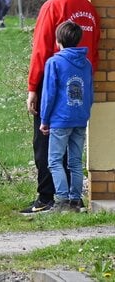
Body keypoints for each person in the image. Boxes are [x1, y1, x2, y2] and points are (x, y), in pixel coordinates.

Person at [21, 0, 99, 214]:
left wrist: (33, 88)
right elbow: (94, 51)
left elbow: (41, 50)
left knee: (45, 143)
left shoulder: (52, 7)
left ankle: (47, 197)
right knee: (74, 152)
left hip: (54, 85)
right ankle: (72, 198)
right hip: (81, 88)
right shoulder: (89, 9)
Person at [39, 21, 93, 213]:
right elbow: (90, 92)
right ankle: (76, 201)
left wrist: (44, 120)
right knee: (75, 162)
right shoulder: (86, 63)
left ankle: (61, 202)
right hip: (80, 118)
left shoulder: (54, 62)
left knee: (54, 161)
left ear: (58, 39)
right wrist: (85, 114)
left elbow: (49, 94)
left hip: (60, 120)